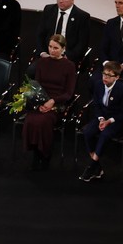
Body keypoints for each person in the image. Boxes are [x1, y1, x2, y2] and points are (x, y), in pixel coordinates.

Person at [22, 34, 76, 170]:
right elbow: (37, 85)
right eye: (50, 47)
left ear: (63, 49)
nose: (52, 50)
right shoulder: (42, 62)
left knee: (43, 122)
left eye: (56, 48)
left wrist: (53, 101)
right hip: (41, 101)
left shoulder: (69, 66)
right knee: (30, 120)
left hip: (57, 103)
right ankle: (35, 153)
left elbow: (69, 93)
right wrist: (39, 102)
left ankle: (45, 154)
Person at [80, 61, 123, 182]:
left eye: (109, 75)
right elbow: (96, 104)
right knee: (87, 132)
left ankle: (91, 166)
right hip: (102, 117)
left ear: (117, 77)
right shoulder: (98, 85)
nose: (105, 77)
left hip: (116, 120)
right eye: (104, 74)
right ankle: (96, 166)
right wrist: (101, 118)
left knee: (104, 135)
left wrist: (109, 121)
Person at [34, 0, 90, 65]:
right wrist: (43, 53)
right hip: (47, 56)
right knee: (31, 72)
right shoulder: (49, 10)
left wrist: (66, 57)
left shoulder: (82, 17)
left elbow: (82, 44)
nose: (60, 1)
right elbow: (40, 35)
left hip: (67, 59)